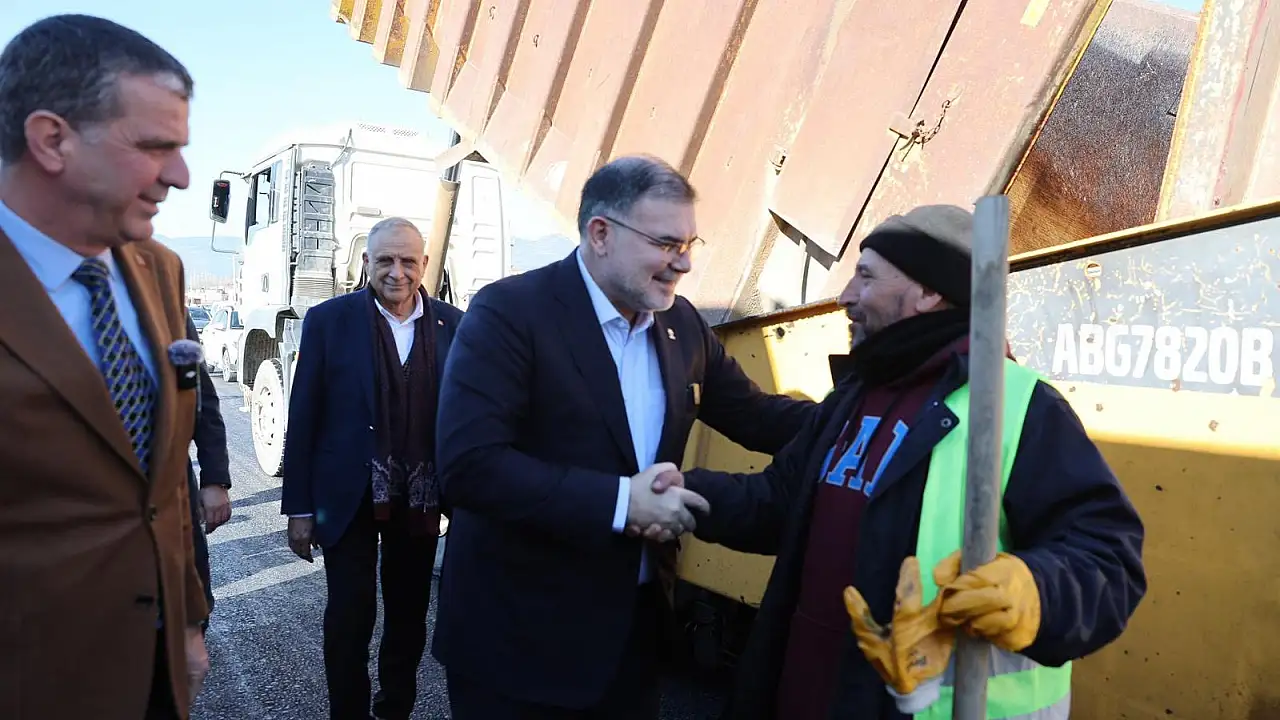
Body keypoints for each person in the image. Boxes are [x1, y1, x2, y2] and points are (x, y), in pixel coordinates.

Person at [654, 204, 1147, 719]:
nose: (846, 296)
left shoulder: (1019, 407)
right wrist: (685, 494)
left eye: (866, 277)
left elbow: (1109, 560)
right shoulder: (856, 396)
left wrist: (1035, 591)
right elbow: (780, 500)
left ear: (929, 292)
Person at [432, 154, 818, 720]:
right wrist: (621, 502)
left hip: (632, 644)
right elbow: (470, 466)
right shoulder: (510, 312)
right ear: (601, 234)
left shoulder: (682, 325)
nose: (683, 263)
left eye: (690, 243)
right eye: (666, 243)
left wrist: (869, 414)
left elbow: (759, 417)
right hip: (519, 645)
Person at [0, 14, 210, 720]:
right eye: (154, 147)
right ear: (50, 139)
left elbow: (161, 486)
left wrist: (188, 620)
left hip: (155, 673)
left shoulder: (159, 268)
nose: (180, 176)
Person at [281, 217, 464, 720]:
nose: (397, 272)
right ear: (366, 262)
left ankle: (395, 708)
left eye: (408, 261)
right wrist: (299, 508)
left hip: (420, 497)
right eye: (385, 260)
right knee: (349, 615)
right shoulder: (329, 321)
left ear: (425, 264)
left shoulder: (456, 326)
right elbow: (304, 416)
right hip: (348, 494)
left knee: (408, 615)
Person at [185, 310, 232, 624]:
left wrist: (215, 480)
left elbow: (201, 397)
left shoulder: (164, 301)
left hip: (169, 491)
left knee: (190, 609)